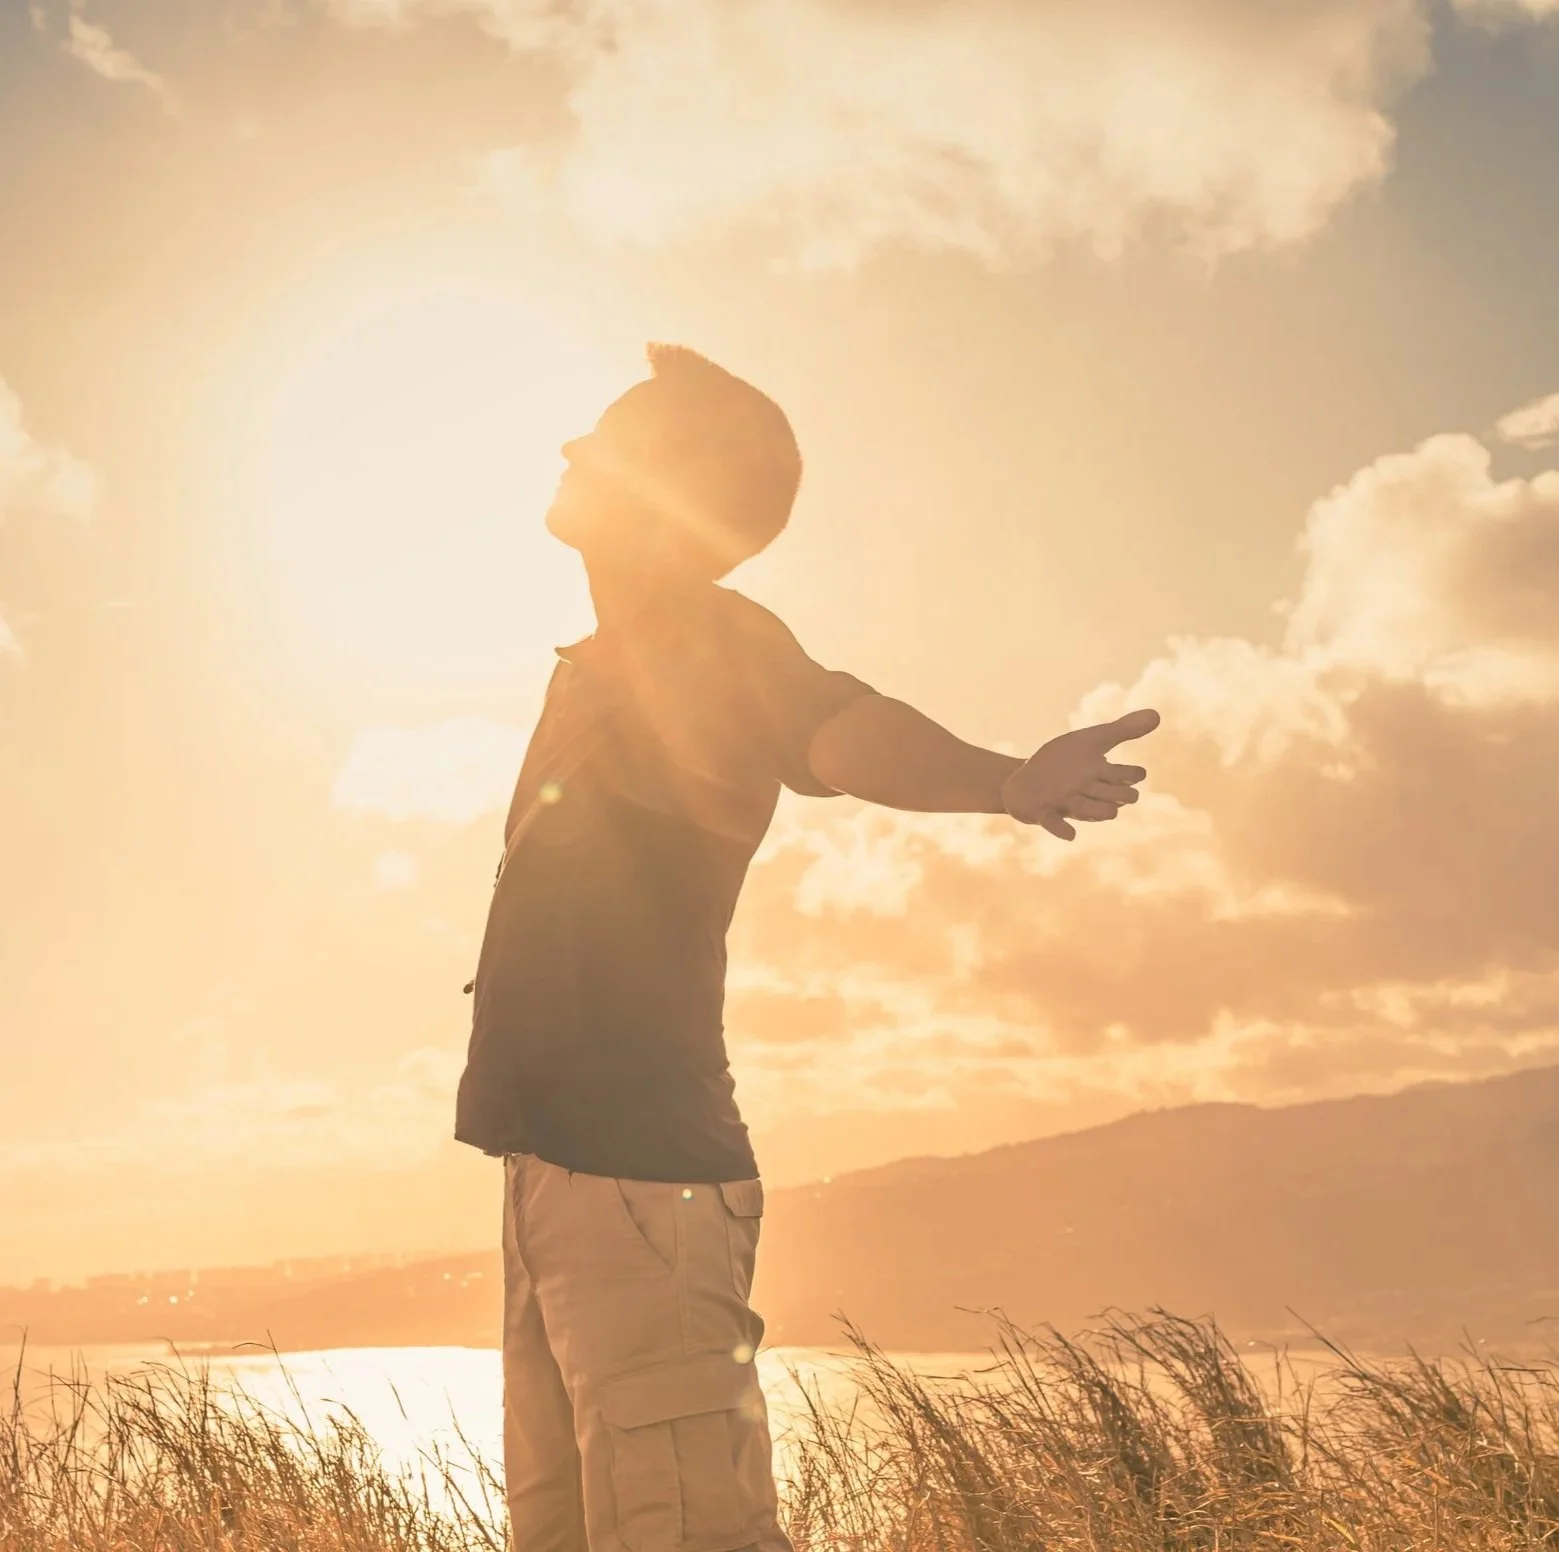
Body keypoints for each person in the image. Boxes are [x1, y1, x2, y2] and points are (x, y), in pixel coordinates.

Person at [455, 343, 1160, 1552]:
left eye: (610, 436)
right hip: (551, 1177)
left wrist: (1004, 780)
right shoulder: (603, 664)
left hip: (636, 1185)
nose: (573, 449)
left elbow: (840, 730)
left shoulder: (710, 643)